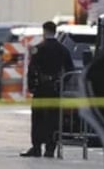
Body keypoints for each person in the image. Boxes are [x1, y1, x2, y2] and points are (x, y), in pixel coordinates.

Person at [21, 21, 74, 158]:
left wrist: (32, 86)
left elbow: (31, 69)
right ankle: (50, 148)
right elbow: (70, 70)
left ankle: (36, 147)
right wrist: (62, 82)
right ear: (55, 31)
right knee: (53, 118)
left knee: (38, 117)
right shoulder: (63, 50)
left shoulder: (38, 48)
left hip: (41, 87)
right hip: (55, 88)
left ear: (44, 31)